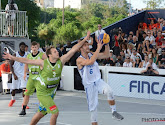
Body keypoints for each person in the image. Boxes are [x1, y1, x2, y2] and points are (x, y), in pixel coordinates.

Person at [3, 31, 90, 125]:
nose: (57, 52)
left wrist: (85, 39)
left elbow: (73, 49)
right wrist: (12, 57)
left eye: (57, 51)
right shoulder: (43, 63)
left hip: (51, 92)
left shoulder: (61, 61)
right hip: (43, 93)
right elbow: (26, 60)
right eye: (55, 52)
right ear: (50, 55)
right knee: (55, 112)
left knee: (41, 113)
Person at [76, 39, 124, 125]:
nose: (87, 46)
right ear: (80, 48)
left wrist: (107, 44)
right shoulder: (79, 60)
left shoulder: (91, 54)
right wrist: (98, 48)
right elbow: (90, 62)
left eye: (88, 45)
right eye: (85, 45)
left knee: (109, 91)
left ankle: (114, 111)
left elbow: (106, 54)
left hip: (98, 81)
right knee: (93, 111)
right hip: (89, 85)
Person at [18, 41, 47, 116]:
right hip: (31, 77)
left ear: (38, 48)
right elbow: (26, 64)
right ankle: (23, 109)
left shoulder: (42, 55)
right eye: (33, 47)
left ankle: (42, 109)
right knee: (27, 93)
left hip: (39, 77)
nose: (34, 49)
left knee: (40, 94)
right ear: (31, 48)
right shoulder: (29, 56)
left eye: (35, 47)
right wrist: (25, 73)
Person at [8, 42, 28, 107]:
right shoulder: (15, 54)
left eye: (24, 47)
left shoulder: (27, 55)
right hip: (16, 74)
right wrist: (13, 74)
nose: (23, 48)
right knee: (13, 89)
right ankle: (12, 99)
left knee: (24, 89)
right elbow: (11, 65)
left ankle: (24, 103)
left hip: (23, 74)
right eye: (22, 47)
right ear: (19, 47)